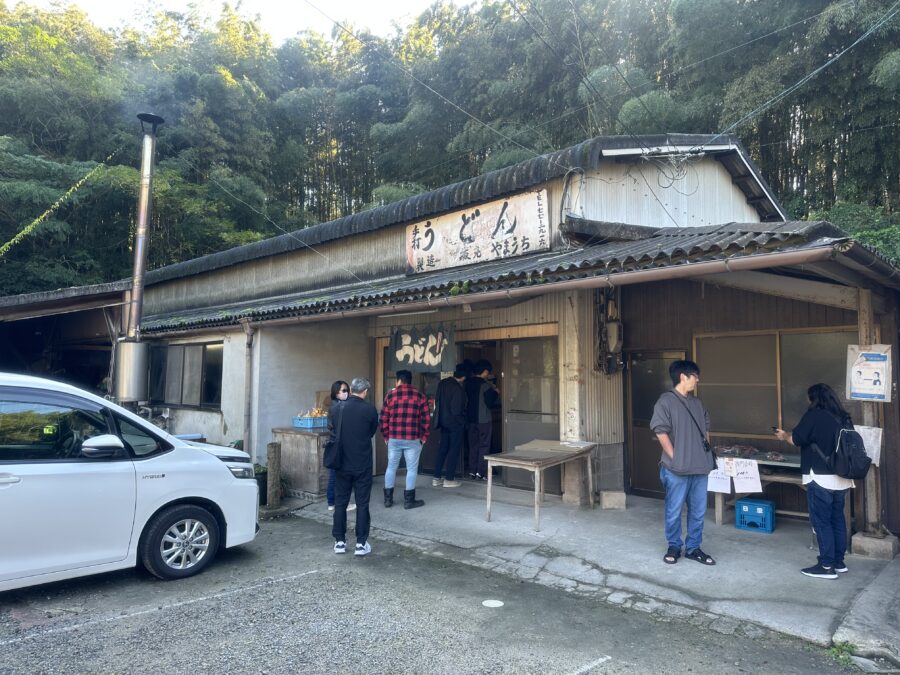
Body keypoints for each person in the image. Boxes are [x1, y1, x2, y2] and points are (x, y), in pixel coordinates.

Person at [774, 383, 855, 579]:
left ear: (814, 399)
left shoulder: (814, 416)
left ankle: (826, 566)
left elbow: (797, 439)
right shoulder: (844, 417)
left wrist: (784, 435)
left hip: (820, 476)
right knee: (837, 519)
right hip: (842, 478)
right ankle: (838, 561)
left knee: (821, 522)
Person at [650, 359, 716, 567]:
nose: (697, 380)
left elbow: (706, 427)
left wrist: (703, 450)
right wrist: (675, 456)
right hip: (675, 469)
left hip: (699, 468)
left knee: (698, 511)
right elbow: (660, 431)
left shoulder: (697, 403)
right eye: (695, 376)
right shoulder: (665, 401)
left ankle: (694, 548)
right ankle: (674, 546)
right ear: (683, 377)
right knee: (674, 510)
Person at [331, 377, 379, 556]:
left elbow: (333, 429)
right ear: (365, 392)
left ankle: (340, 542)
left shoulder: (336, 408)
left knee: (340, 503)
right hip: (362, 462)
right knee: (362, 503)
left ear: (350, 389)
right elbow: (372, 431)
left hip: (341, 462)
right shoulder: (369, 410)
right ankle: (361, 543)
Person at [380, 369, 431, 509]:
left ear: (399, 380)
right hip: (413, 438)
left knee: (391, 467)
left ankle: (388, 500)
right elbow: (426, 420)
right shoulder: (419, 396)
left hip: (394, 438)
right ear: (410, 381)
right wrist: (424, 437)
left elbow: (383, 418)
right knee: (412, 469)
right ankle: (409, 501)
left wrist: (386, 436)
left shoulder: (390, 395)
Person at [432, 363, 468, 488]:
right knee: (453, 450)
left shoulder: (442, 383)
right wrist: (462, 422)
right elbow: (456, 410)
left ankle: (436, 477)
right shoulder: (458, 388)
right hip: (454, 424)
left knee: (442, 449)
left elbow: (437, 400)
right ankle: (449, 479)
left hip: (442, 422)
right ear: (463, 377)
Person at [465, 359, 500, 480]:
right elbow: (490, 402)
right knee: (484, 446)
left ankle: (472, 471)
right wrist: (496, 392)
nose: (488, 374)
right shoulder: (485, 385)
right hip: (483, 420)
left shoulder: (467, 383)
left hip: (470, 420)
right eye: (488, 372)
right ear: (485, 371)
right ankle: (482, 472)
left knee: (473, 445)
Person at [326, 380, 355, 513]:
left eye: (346, 390)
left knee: (334, 475)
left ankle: (331, 502)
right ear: (335, 393)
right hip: (341, 445)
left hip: (334, 444)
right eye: (342, 391)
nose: (345, 393)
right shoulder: (340, 407)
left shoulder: (334, 406)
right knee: (342, 476)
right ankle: (342, 503)